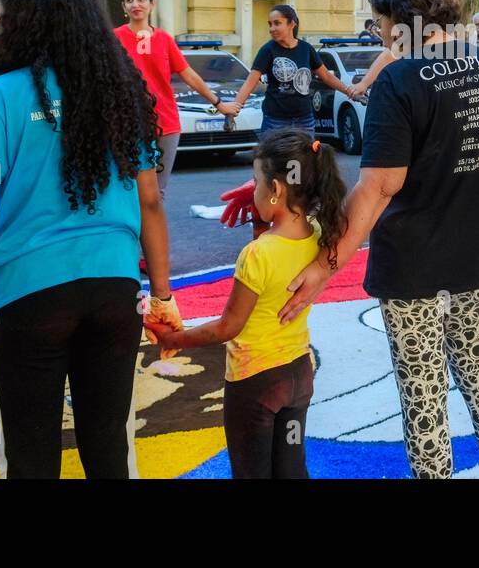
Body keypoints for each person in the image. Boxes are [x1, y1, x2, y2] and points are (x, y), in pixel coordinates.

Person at [0, 0, 183, 479]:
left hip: (29, 293)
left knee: (29, 456)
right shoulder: (120, 92)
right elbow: (150, 202)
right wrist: (164, 296)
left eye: (6, 17)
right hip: (115, 288)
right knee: (110, 448)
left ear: (27, 24)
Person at [278, 0, 479, 479]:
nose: (380, 32)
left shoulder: (400, 79)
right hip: (475, 252)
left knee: (423, 391)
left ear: (400, 19)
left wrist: (325, 265)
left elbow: (380, 187)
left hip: (413, 264)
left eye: (380, 21)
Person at [145, 129, 346, 478]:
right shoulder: (317, 234)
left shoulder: (256, 255)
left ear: (276, 190)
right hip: (297, 376)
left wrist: (173, 339)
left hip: (255, 384)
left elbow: (228, 327)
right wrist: (259, 214)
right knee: (292, 469)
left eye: (255, 181)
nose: (252, 189)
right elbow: (278, 261)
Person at [114, 0, 234, 198]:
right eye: (129, 0)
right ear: (123, 7)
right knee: (129, 192)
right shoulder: (114, 38)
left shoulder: (164, 39)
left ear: (152, 4)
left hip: (165, 123)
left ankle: (153, 234)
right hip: (127, 124)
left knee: (156, 194)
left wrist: (218, 103)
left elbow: (189, 75)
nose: (135, 4)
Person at [225, 5, 356, 136]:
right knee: (271, 157)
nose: (272, 29)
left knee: (305, 157)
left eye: (277, 23)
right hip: (275, 121)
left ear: (291, 24)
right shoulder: (268, 50)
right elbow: (250, 83)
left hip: (304, 120)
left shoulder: (306, 49)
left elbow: (326, 76)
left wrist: (350, 92)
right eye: (270, 24)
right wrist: (232, 112)